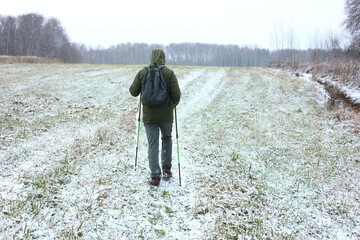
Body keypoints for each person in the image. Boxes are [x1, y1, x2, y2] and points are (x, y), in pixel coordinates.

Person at [129, 48, 181, 186]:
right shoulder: (169, 73)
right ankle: (166, 169)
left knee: (153, 144)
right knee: (167, 139)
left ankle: (155, 176)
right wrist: (170, 106)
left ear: (151, 57)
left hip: (149, 117)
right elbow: (177, 95)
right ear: (163, 58)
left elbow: (133, 92)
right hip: (166, 116)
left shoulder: (142, 72)